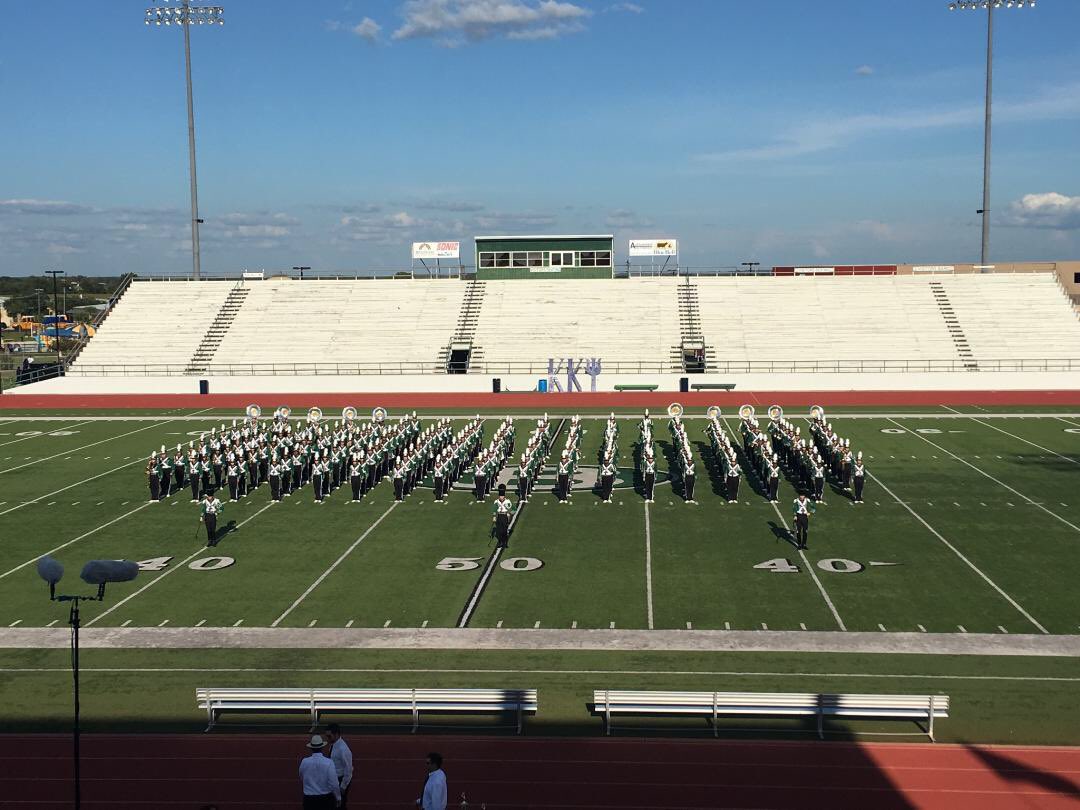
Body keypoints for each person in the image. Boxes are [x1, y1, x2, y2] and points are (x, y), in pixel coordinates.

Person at [299, 734, 341, 809]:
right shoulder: (329, 762)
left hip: (309, 799)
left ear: (311, 748)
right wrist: (338, 797)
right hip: (325, 798)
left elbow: (301, 776)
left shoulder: (304, 762)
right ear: (322, 747)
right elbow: (334, 783)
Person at [325, 723, 353, 809]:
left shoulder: (343, 749)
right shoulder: (334, 745)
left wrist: (343, 786)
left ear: (336, 734)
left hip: (340, 780)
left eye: (329, 736)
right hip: (334, 779)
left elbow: (348, 769)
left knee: (340, 805)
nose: (327, 738)